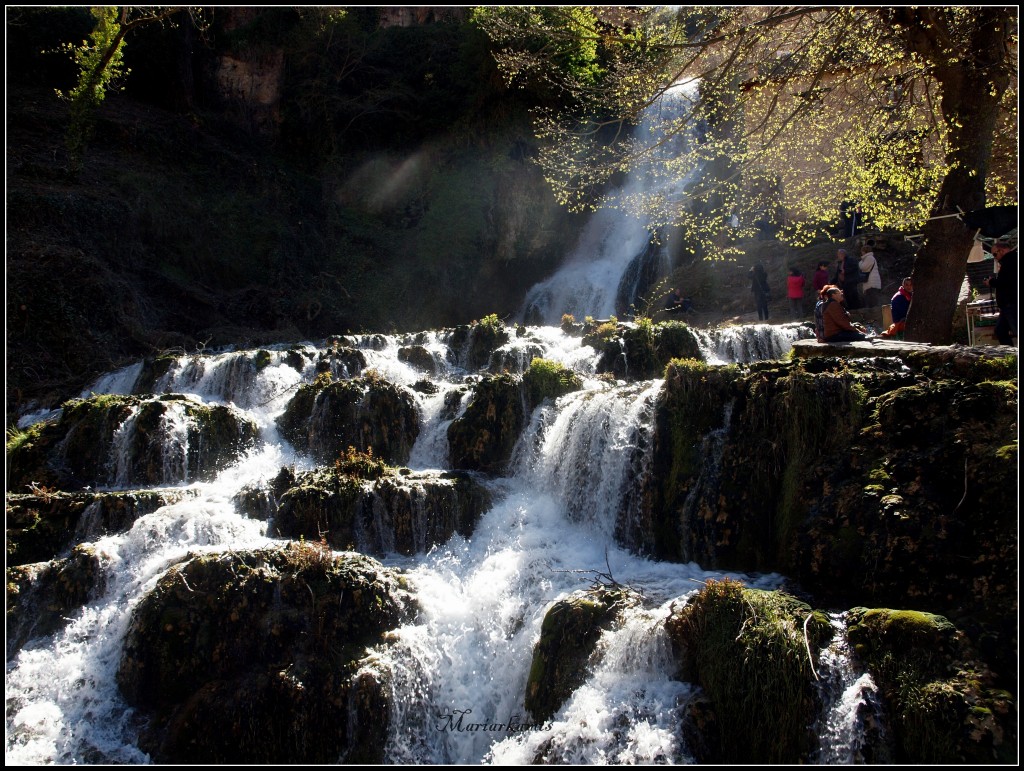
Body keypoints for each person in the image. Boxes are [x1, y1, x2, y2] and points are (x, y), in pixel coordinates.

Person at [985, 238, 1018, 345]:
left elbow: (1006, 281)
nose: (995, 258)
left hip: (1011, 303)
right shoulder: (1010, 260)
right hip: (1007, 304)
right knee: (1000, 330)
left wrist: (991, 282)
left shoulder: (1010, 261)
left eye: (995, 255)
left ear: (1002, 251)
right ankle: (1010, 355)